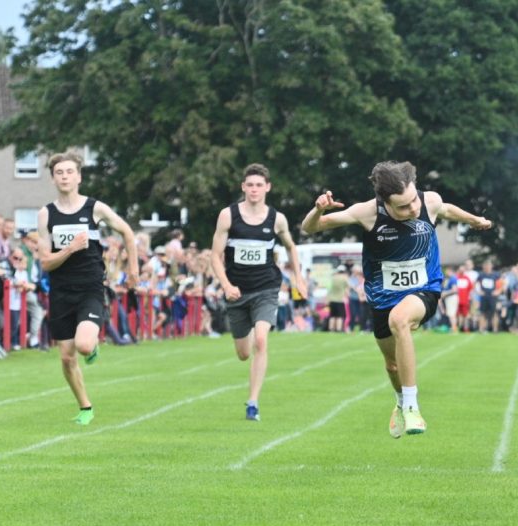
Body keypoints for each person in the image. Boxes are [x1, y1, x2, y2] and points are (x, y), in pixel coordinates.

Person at [301, 160, 492, 437]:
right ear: (384, 202)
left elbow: (446, 209)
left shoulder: (429, 202)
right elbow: (310, 229)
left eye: (414, 200)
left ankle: (413, 407)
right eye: (403, 206)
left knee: (400, 319)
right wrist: (318, 210)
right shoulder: (367, 212)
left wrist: (475, 220)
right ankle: (401, 402)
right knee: (391, 364)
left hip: (424, 289)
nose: (413, 209)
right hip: (382, 298)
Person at [36, 152, 139, 425]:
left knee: (82, 346)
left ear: (79, 177)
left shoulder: (94, 208)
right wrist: (69, 249)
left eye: (69, 171)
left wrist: (133, 270)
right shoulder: (46, 214)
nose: (65, 176)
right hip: (60, 291)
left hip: (90, 288)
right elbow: (46, 262)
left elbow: (128, 232)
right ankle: (85, 407)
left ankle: (91, 345)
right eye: (59, 172)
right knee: (67, 357)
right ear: (53, 178)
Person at [210, 163, 307, 422]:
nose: (254, 189)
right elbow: (215, 256)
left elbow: (291, 247)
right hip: (236, 291)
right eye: (250, 185)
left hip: (266, 287)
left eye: (259, 185)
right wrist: (226, 285)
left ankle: (253, 402)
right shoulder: (228, 216)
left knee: (262, 340)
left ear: (267, 188)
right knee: (243, 353)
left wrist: (298, 277)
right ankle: (249, 332)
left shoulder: (277, 219)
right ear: (243, 187)